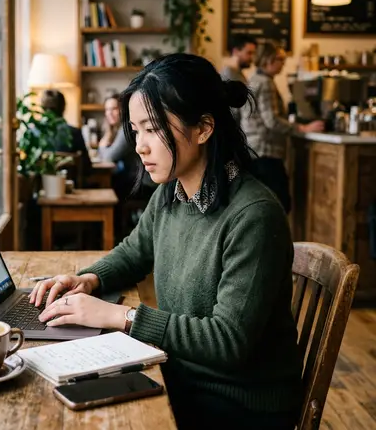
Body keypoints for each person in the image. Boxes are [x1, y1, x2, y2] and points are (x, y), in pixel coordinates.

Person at [30, 53, 303, 430]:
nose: (140, 146)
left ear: (204, 128)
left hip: (239, 405)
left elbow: (228, 341)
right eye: (136, 130)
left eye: (153, 129)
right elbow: (135, 251)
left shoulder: (253, 216)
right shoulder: (172, 192)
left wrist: (119, 317)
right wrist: (88, 280)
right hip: (182, 376)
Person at [241, 42, 324, 213]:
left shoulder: (253, 79)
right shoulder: (266, 83)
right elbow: (271, 120)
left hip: (253, 150)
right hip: (266, 152)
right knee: (279, 205)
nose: (283, 63)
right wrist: (302, 128)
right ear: (268, 59)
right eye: (280, 59)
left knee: (262, 205)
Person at [41, 90, 92, 179]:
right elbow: (86, 167)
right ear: (64, 108)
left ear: (42, 108)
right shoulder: (74, 132)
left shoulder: (32, 133)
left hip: (39, 188)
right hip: (69, 186)